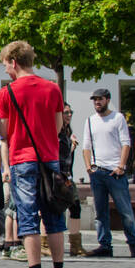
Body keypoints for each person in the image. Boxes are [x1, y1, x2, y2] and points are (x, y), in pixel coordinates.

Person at [0, 41, 69, 268]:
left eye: (5, 64)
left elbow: (4, 131)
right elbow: (59, 125)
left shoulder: (7, 92)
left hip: (22, 159)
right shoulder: (52, 89)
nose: (5, 69)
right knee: (54, 216)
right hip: (49, 159)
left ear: (14, 62)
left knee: (27, 217)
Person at [79, 86, 135, 259]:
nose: (97, 102)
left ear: (107, 99)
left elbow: (126, 143)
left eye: (100, 99)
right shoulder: (90, 120)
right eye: (95, 100)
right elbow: (86, 145)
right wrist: (88, 167)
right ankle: (104, 244)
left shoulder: (117, 118)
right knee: (100, 212)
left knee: (125, 211)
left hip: (115, 172)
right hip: (97, 172)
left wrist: (121, 165)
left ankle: (133, 244)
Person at [58, 103, 83, 255]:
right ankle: (45, 243)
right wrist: (72, 146)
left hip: (67, 176)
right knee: (52, 210)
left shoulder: (67, 131)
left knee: (75, 207)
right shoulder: (58, 132)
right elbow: (60, 154)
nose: (69, 115)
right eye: (66, 112)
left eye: (70, 112)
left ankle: (75, 244)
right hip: (59, 176)